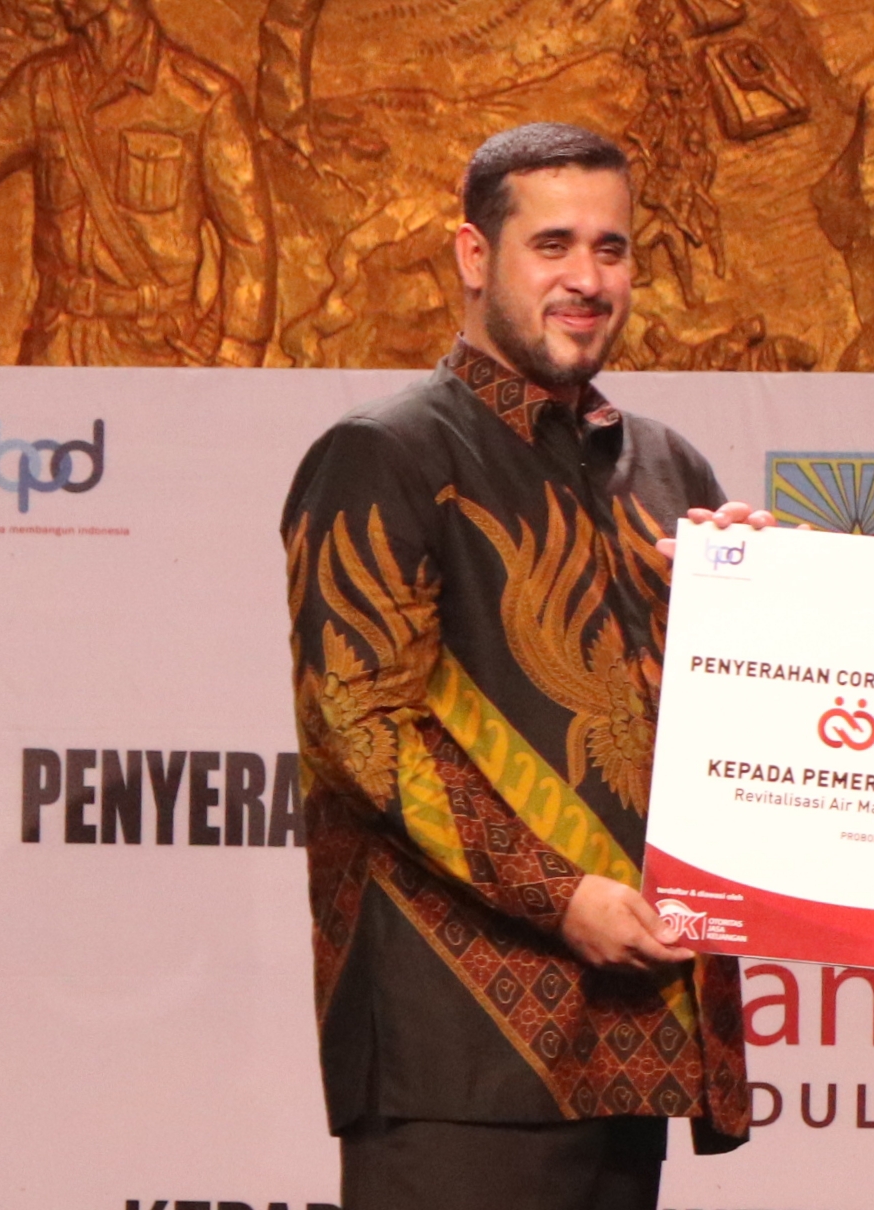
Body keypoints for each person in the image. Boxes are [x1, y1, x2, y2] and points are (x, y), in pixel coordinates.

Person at [282, 122, 763, 1210]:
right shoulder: (385, 453)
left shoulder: (668, 466)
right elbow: (361, 732)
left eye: (611, 248)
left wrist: (760, 611)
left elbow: (718, 736)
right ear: (473, 254)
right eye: (552, 245)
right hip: (458, 1053)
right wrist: (563, 897)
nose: (586, 279)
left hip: (633, 1041)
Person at [0, 0, 273, 366]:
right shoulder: (43, 85)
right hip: (54, 346)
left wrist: (236, 353)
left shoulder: (202, 99)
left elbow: (248, 241)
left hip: (153, 351)